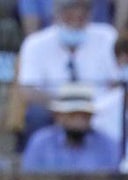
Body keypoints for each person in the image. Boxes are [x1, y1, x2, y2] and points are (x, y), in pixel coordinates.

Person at [16, 0, 118, 143]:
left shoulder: (107, 37)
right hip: (54, 105)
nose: (77, 15)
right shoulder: (35, 43)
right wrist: (65, 105)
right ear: (57, 13)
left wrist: (92, 106)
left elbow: (117, 82)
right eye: (70, 12)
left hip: (99, 105)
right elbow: (27, 89)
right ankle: (38, 162)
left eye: (83, 12)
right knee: (36, 114)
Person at [21, 80, 120, 170]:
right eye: (73, 114)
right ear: (59, 116)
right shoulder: (41, 144)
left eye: (83, 115)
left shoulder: (107, 146)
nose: (78, 120)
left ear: (90, 116)